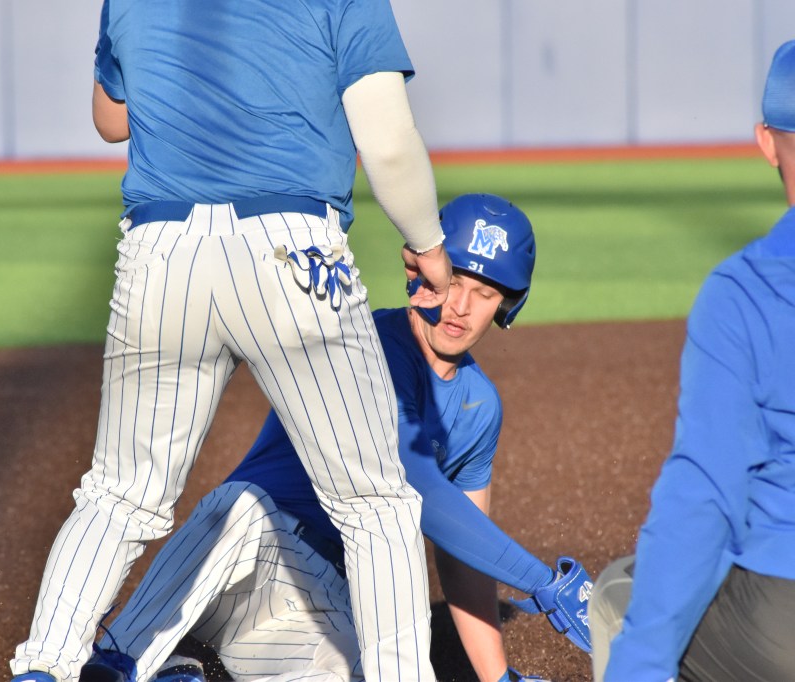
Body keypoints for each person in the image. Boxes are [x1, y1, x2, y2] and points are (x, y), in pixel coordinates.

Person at [10, 0, 455, 680]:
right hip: (292, 249)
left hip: (160, 249)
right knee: (374, 504)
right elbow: (388, 141)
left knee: (119, 495)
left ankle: (43, 666)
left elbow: (111, 121)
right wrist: (428, 244)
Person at [77, 194, 593, 682]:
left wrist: (496, 676)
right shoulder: (369, 349)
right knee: (241, 507)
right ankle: (121, 656)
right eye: (455, 280)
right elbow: (417, 484)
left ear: (508, 304)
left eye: (484, 294)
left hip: (313, 602)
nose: (461, 306)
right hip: (239, 556)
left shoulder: (479, 407)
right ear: (425, 274)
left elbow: (463, 556)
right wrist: (542, 580)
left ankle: (180, 661)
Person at [589, 39, 795, 682]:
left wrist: (640, 665)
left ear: (767, 140)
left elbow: (705, 495)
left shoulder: (744, 292)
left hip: (781, 616)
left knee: (619, 595)